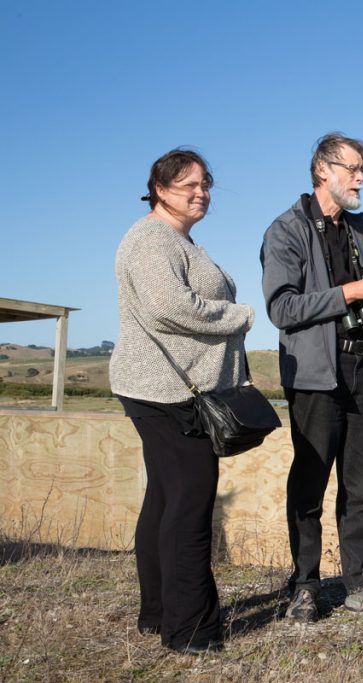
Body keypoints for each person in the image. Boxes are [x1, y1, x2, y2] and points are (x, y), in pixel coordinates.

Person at [260, 132, 363, 620]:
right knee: (309, 485)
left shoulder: (357, 231)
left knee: (361, 485)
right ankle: (304, 585)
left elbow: (353, 298)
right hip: (314, 377)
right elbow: (282, 308)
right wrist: (354, 291)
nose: (361, 177)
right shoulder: (285, 230)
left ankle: (361, 583)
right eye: (354, 168)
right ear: (323, 169)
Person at [110, 148, 255, 654]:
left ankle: (159, 613)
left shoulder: (175, 238)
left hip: (170, 389)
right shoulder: (151, 239)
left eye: (205, 184)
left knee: (166, 500)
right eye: (187, 184)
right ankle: (190, 628)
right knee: (190, 504)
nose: (200, 192)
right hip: (166, 392)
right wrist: (239, 316)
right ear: (159, 189)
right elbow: (170, 307)